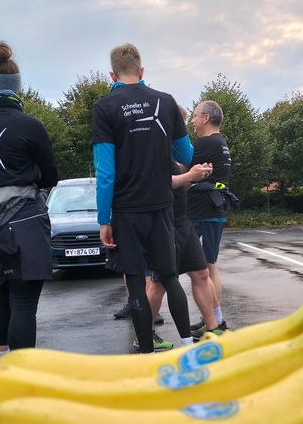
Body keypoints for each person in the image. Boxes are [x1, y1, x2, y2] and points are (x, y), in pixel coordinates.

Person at [93, 43, 193, 353]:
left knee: (135, 282)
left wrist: (103, 219)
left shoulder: (105, 107)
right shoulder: (166, 102)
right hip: (163, 207)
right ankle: (189, 345)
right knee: (169, 277)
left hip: (126, 210)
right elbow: (186, 154)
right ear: (142, 71)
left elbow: (105, 172)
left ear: (112, 74)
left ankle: (147, 352)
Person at [0, 41, 59, 363]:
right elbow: (51, 175)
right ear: (18, 88)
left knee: (2, 300)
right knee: (23, 304)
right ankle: (21, 382)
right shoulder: (29, 125)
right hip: (21, 222)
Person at [148, 159, 220, 344]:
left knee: (202, 273)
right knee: (160, 283)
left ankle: (213, 329)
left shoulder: (169, 154)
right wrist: (190, 175)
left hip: (182, 222)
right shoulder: (151, 150)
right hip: (164, 225)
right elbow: (157, 184)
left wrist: (193, 178)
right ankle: (144, 335)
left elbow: (176, 187)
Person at [187, 100, 232, 338]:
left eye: (194, 116)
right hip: (214, 210)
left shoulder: (205, 143)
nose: (192, 121)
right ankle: (215, 319)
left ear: (205, 118)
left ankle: (216, 323)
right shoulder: (221, 142)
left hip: (202, 213)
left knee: (202, 270)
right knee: (210, 267)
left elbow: (183, 167)